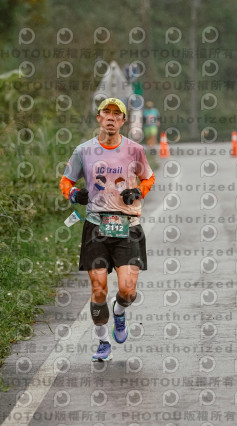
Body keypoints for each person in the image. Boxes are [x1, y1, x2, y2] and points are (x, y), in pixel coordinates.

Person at [59, 98, 155, 362]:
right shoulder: (83, 151)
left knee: (128, 290)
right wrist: (74, 194)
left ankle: (120, 311)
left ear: (123, 120)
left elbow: (149, 178)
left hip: (128, 226)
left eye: (116, 114)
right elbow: (66, 181)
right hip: (96, 226)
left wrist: (138, 191)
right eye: (106, 112)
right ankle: (103, 341)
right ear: (99, 118)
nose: (111, 117)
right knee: (98, 288)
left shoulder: (135, 150)